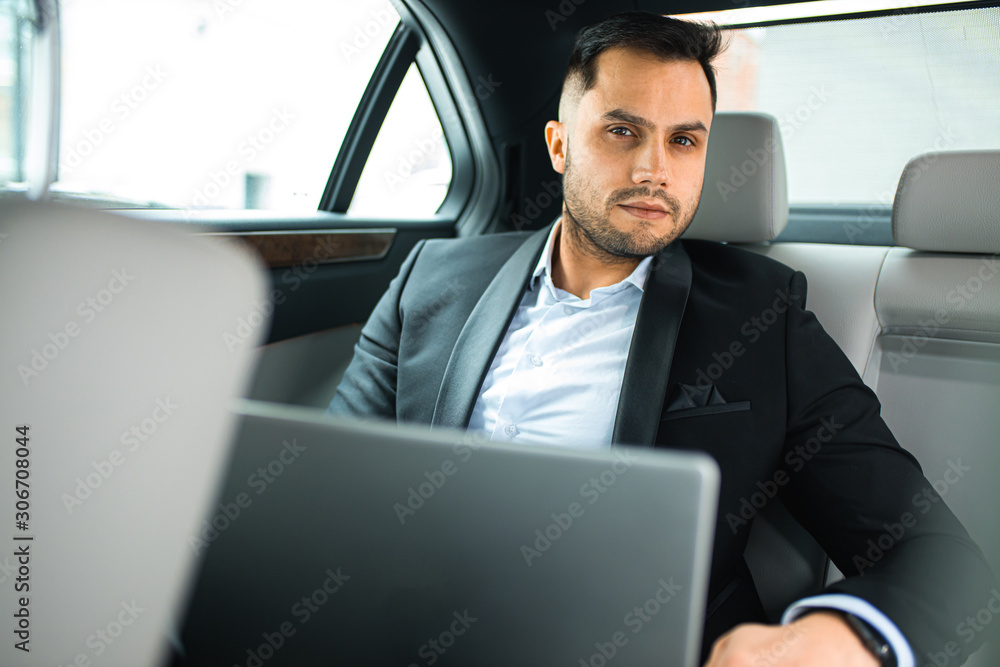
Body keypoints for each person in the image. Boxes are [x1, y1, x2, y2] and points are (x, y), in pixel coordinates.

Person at [327, 12, 994, 666]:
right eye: (622, 131)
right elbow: (331, 492)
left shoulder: (761, 317)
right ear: (559, 145)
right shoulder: (431, 278)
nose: (654, 170)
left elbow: (939, 557)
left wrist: (850, 637)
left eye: (684, 140)